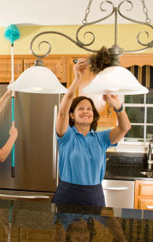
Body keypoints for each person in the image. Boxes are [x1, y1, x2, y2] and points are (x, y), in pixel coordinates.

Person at [52, 49, 131, 207]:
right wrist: (77, 79)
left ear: (93, 115)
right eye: (81, 109)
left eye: (89, 109)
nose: (86, 112)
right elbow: (62, 112)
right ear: (72, 115)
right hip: (67, 194)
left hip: (94, 196)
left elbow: (124, 127)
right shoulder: (66, 136)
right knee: (62, 232)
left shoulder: (101, 139)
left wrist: (118, 107)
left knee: (93, 232)